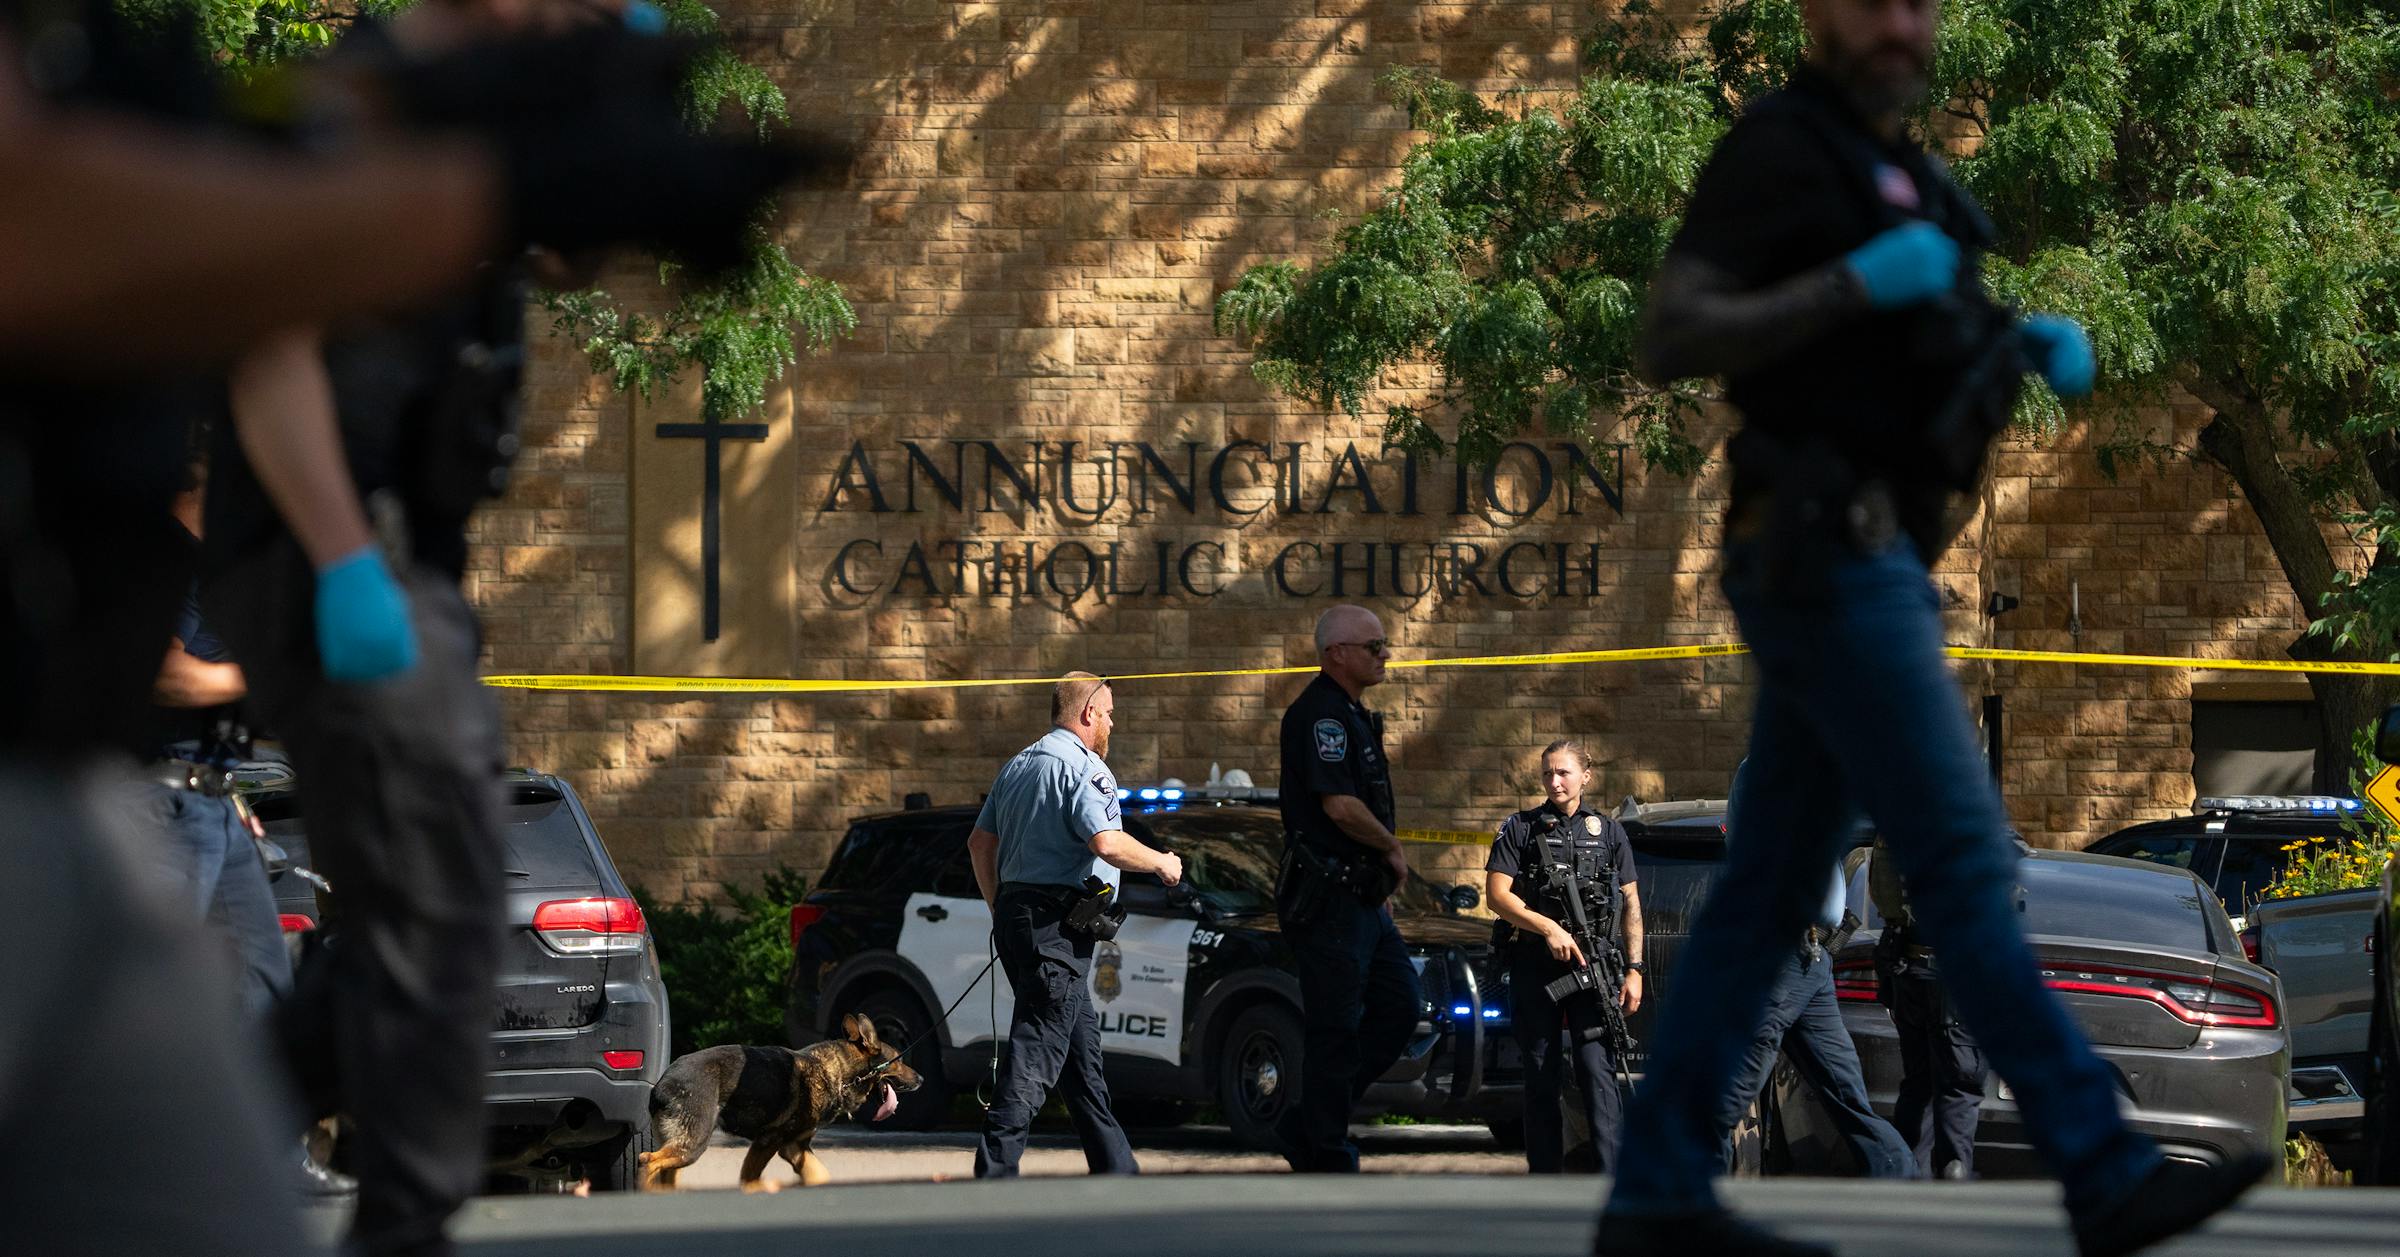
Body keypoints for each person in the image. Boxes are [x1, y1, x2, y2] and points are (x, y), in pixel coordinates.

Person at [1592, 2, 2268, 1255]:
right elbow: (1673, 332)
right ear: (1820, 14)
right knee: (1961, 861)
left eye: (1918, 1)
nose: (1901, 22)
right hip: (1826, 552)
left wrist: (2013, 344)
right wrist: (1851, 282)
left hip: (1878, 553)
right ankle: (2101, 1162)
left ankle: (1657, 1192)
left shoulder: (1910, 177)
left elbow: (1920, 360)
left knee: (1764, 897)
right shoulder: (1783, 150)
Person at [966, 672, 1183, 1178]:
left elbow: (979, 844)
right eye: (1107, 714)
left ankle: (1117, 1172)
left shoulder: (1018, 764)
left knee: (1081, 1063)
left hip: (1021, 922)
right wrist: (1161, 862)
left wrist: (1001, 908)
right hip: (1056, 933)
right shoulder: (1084, 767)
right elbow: (1106, 842)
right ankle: (993, 1176)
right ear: (1087, 713)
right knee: (1037, 1050)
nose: (1111, 724)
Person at [1273, 604, 1422, 1172]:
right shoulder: (1320, 716)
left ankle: (1308, 1123)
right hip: (1331, 897)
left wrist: (1382, 873)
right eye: (1373, 646)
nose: (1385, 655)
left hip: (1364, 897)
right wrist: (1391, 848)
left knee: (1400, 1007)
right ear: (1336, 653)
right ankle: (1326, 1150)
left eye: (1383, 645)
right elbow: (1338, 805)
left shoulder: (1353, 714)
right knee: (1334, 1027)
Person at [1708, 815, 1910, 1180]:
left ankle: (1898, 1176)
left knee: (1839, 1088)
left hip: (1803, 956)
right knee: (1746, 1078)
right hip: (1791, 952)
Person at [1484, 739, 1643, 1173]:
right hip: (1535, 966)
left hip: (1594, 967)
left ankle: (1613, 1179)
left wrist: (1635, 969)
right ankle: (1546, 1182)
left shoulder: (1609, 832)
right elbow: (1497, 896)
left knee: (1597, 1070)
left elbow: (1631, 903)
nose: (1554, 781)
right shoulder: (1520, 828)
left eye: (1563, 772)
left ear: (1585, 777)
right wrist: (1548, 927)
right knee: (1541, 1073)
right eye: (1547, 773)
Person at [1871, 834, 1988, 1179]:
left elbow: (1884, 897)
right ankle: (1954, 1174)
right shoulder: (1961, 827)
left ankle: (1911, 1177)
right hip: (1952, 974)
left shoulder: (1893, 831)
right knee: (1960, 1084)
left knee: (1918, 1082)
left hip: (1908, 969)